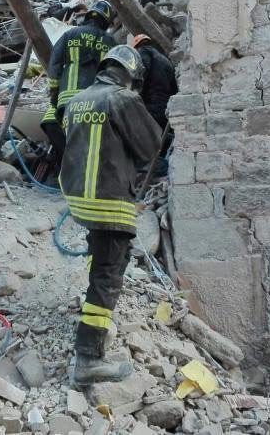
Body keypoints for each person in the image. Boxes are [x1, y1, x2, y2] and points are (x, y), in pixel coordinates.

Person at [60, 45, 162, 384]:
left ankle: (93, 311)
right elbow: (150, 147)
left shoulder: (77, 99)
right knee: (108, 275)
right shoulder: (123, 99)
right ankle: (88, 359)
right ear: (132, 76)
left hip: (82, 202)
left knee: (101, 258)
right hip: (110, 202)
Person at [41, 0, 116, 177]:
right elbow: (114, 74)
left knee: (50, 123)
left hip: (65, 99)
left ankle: (67, 167)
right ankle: (78, 172)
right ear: (106, 22)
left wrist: (54, 92)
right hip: (94, 102)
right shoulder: (111, 42)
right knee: (86, 139)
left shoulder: (70, 34)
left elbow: (54, 65)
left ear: (88, 16)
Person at [132, 34, 178, 176]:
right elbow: (174, 88)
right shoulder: (165, 59)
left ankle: (153, 170)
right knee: (161, 141)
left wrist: (134, 92)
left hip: (151, 105)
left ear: (136, 47)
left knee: (144, 140)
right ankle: (160, 170)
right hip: (165, 108)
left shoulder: (143, 53)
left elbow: (142, 72)